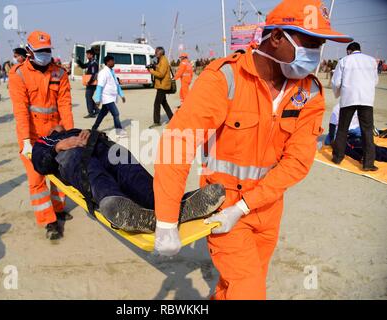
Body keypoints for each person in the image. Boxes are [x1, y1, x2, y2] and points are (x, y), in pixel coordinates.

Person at [151, 0, 353, 299]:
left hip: (267, 209)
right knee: (249, 290)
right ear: (276, 38)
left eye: (320, 45)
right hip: (222, 206)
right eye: (310, 43)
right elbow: (177, 143)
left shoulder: (308, 92)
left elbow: (297, 161)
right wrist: (166, 220)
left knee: (240, 283)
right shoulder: (226, 78)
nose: (317, 54)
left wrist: (246, 206)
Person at [31, 126, 226, 235]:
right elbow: (40, 162)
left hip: (99, 148)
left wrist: (94, 134)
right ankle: (118, 206)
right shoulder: (45, 141)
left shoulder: (74, 129)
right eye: (54, 127)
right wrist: (58, 146)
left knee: (128, 167)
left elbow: (101, 137)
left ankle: (168, 206)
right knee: (92, 172)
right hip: (71, 157)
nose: (58, 126)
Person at [9, 30, 75, 241]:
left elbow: (65, 105)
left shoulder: (59, 73)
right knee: (37, 178)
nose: (44, 54)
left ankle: (58, 208)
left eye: (47, 50)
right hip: (31, 135)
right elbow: (20, 109)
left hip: (55, 131)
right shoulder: (18, 74)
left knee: (59, 173)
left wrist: (70, 133)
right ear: (29, 51)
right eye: (40, 51)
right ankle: (49, 220)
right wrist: (26, 142)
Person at [331, 42, 379, 171]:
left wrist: (338, 94)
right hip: (366, 99)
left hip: (349, 98)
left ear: (349, 51)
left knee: (342, 128)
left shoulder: (344, 61)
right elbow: (375, 81)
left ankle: (337, 157)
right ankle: (368, 163)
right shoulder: (371, 60)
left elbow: (336, 82)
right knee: (367, 130)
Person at [92, 55, 126, 137]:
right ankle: (119, 131)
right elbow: (99, 87)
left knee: (102, 114)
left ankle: (94, 128)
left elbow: (117, 85)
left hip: (111, 97)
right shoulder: (103, 73)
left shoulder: (112, 71)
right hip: (107, 97)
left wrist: (122, 95)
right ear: (108, 62)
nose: (114, 62)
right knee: (116, 113)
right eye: (112, 61)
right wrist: (97, 99)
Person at [147, 47, 173, 128]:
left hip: (163, 86)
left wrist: (151, 71)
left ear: (160, 53)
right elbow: (160, 68)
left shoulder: (164, 60)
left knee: (156, 104)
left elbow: (161, 74)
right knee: (164, 102)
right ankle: (172, 118)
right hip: (162, 85)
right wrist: (154, 66)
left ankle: (157, 122)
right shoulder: (161, 60)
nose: (155, 53)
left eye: (156, 52)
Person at [76, 49, 100, 118]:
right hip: (90, 83)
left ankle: (91, 113)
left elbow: (94, 74)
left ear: (91, 55)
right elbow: (83, 66)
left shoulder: (93, 63)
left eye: (87, 54)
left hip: (91, 83)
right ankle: (96, 109)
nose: (86, 55)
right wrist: (79, 61)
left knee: (88, 97)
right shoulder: (90, 62)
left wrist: (89, 82)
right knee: (88, 97)